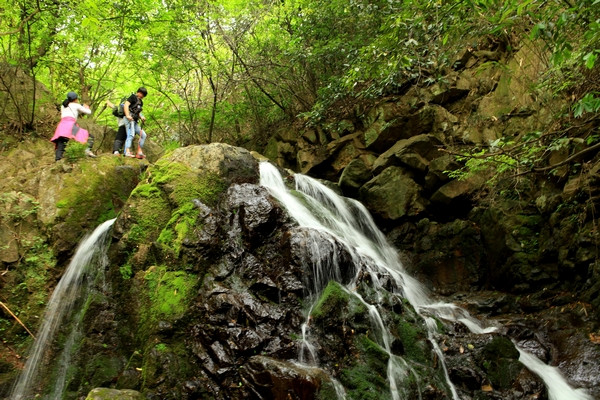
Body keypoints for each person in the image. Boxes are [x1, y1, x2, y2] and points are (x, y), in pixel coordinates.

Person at [50, 91, 96, 161]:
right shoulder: (76, 105)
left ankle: (58, 160)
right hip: (70, 125)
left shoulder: (63, 106)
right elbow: (89, 112)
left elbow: (71, 107)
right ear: (75, 99)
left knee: (61, 143)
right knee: (89, 136)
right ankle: (87, 150)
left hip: (62, 125)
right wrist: (86, 107)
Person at [123, 87, 148, 158]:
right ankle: (127, 152)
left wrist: (142, 117)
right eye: (141, 94)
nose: (141, 96)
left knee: (143, 135)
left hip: (135, 121)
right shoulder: (133, 97)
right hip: (129, 119)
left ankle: (139, 152)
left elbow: (138, 112)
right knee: (131, 134)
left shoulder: (141, 102)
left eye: (143, 95)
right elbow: (126, 105)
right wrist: (127, 115)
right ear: (138, 92)